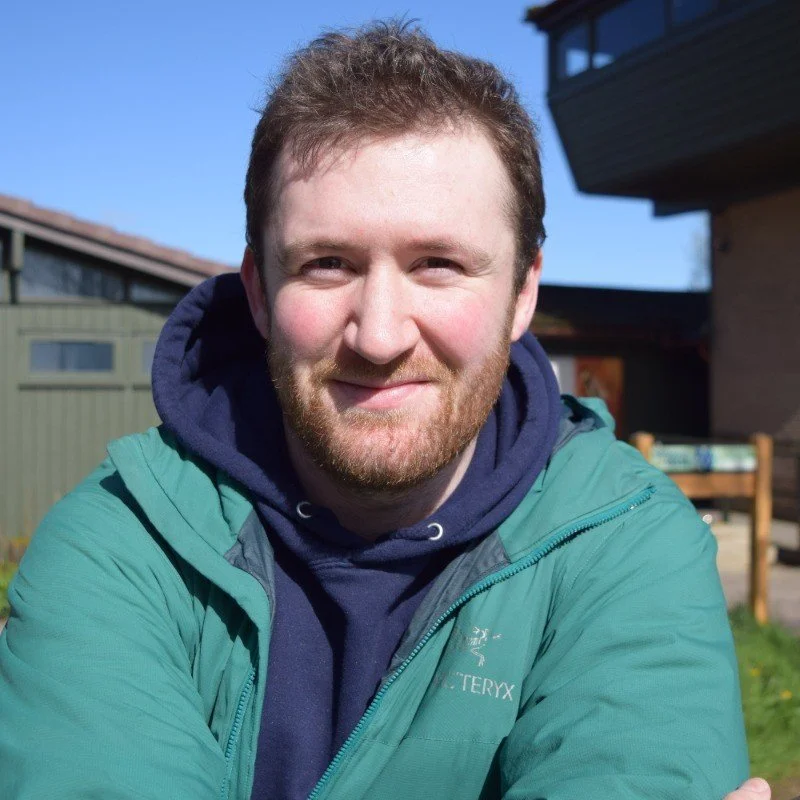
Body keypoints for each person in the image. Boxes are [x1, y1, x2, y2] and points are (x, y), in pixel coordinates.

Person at [0, 20, 770, 800]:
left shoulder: (624, 542)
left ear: (523, 292)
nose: (379, 334)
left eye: (438, 265)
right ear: (260, 292)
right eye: (327, 264)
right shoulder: (122, 543)